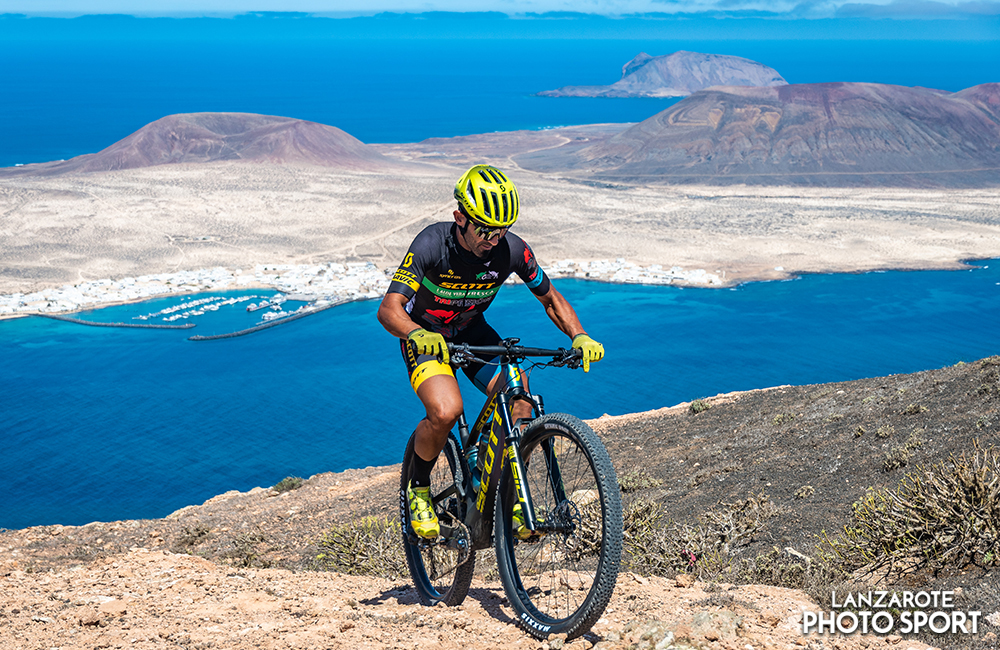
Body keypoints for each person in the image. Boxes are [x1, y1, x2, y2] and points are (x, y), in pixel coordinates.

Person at [377, 164, 605, 540]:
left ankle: (509, 496)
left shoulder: (512, 250)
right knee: (446, 411)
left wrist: (579, 335)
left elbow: (550, 298)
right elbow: (389, 310)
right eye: (484, 228)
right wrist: (417, 333)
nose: (493, 238)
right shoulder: (432, 244)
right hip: (426, 338)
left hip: (471, 332)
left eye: (501, 229)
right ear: (460, 218)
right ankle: (417, 489)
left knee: (520, 397)